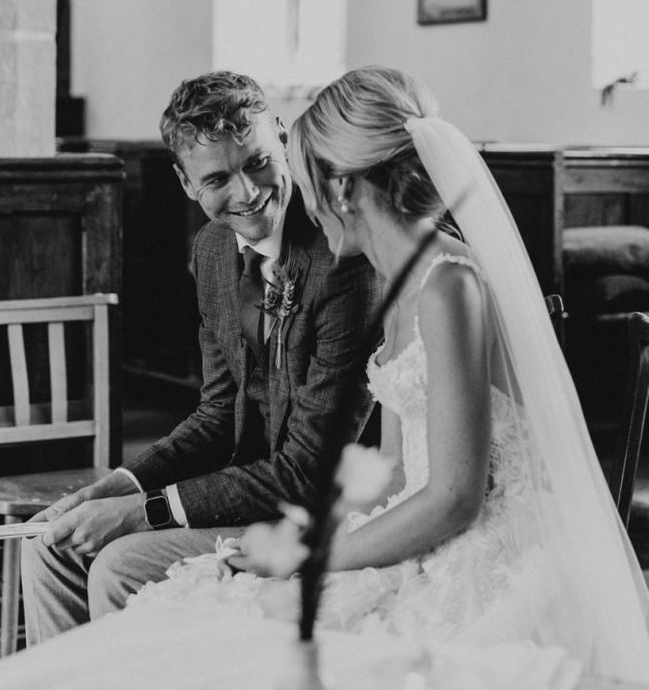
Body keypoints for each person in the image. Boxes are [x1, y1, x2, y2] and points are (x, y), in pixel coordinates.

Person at [121, 66, 649, 683]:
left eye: (310, 182)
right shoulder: (400, 286)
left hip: (488, 554)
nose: (304, 205)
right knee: (217, 603)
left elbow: (455, 498)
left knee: (254, 641)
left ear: (343, 192)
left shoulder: (449, 284)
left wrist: (311, 558)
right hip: (423, 528)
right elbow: (398, 471)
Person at [20, 71, 382, 643]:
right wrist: (115, 489)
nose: (247, 192)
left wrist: (145, 513)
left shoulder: (345, 256)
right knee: (49, 549)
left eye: (258, 162)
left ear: (283, 139)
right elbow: (218, 413)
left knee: (120, 563)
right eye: (217, 178)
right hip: (248, 484)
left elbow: (311, 468)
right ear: (186, 184)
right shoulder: (212, 250)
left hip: (326, 509)